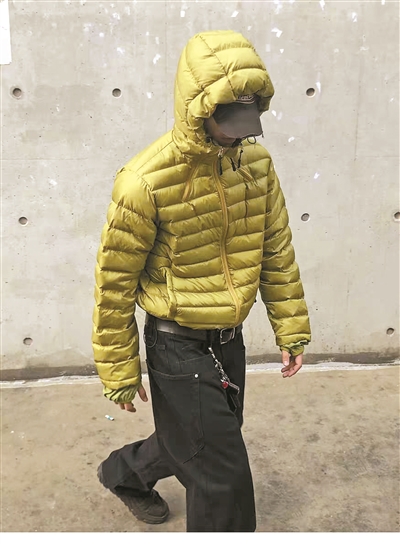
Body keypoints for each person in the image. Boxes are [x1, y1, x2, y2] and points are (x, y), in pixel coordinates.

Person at [92, 30, 311, 532]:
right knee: (221, 476)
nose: (236, 135)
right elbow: (114, 284)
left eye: (245, 121)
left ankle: (123, 473)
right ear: (195, 107)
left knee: (198, 441)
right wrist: (119, 367)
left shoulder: (257, 165)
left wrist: (291, 327)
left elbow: (275, 248)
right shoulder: (144, 181)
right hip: (176, 344)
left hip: (228, 339)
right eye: (225, 120)